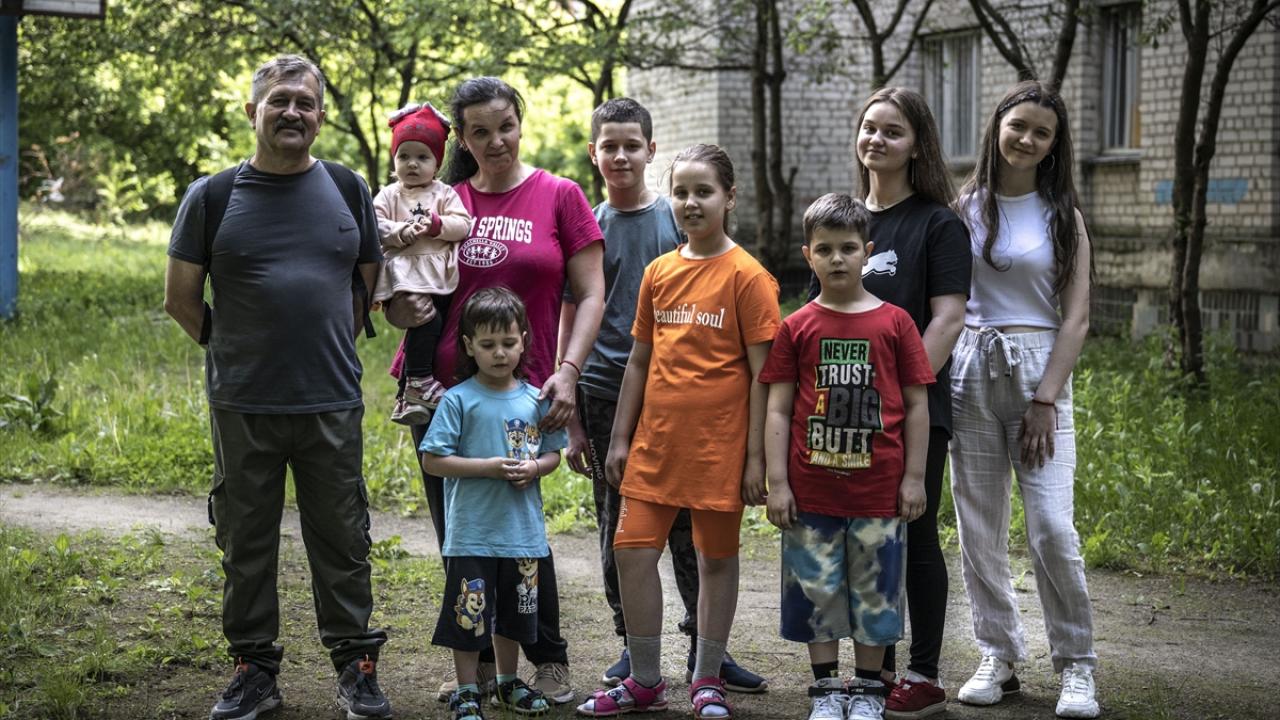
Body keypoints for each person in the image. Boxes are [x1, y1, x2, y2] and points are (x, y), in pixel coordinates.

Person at [164, 55, 391, 720]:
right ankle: (254, 671)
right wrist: (238, 349)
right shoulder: (212, 196)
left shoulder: (348, 188)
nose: (293, 112)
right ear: (252, 111)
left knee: (344, 539)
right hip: (244, 405)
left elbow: (365, 283)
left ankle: (356, 667)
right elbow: (181, 299)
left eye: (305, 102)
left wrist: (320, 345)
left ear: (320, 116)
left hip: (331, 400)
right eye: (279, 100)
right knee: (245, 542)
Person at [386, 76, 605, 705]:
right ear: (462, 139)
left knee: (522, 532)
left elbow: (591, 292)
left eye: (505, 126)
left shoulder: (559, 195)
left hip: (521, 394)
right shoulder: (440, 198)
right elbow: (401, 276)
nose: (496, 141)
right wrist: (396, 308)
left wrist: (568, 370)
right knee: (461, 535)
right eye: (479, 132)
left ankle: (549, 657)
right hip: (440, 393)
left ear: (520, 124)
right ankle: (479, 665)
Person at [560, 98, 767, 694]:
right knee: (622, 534)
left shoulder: (711, 247)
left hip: (701, 420)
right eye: (609, 145)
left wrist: (757, 456)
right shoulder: (596, 229)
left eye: (633, 144)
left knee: (698, 543)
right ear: (594, 153)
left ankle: (708, 654)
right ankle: (636, 653)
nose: (621, 155)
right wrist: (582, 409)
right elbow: (581, 313)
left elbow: (757, 365)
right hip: (616, 402)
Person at [808, 86, 971, 718]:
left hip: (914, 410)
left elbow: (948, 318)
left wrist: (901, 394)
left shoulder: (938, 223)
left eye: (892, 131)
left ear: (917, 145)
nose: (876, 139)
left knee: (914, 533)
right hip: (841, 415)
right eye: (869, 127)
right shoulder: (844, 220)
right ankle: (876, 675)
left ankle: (923, 674)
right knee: (858, 541)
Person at [949, 80, 1099, 719]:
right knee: (978, 527)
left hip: (1040, 372)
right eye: (1019, 126)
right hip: (971, 368)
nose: (1028, 139)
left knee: (1052, 529)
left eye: (1042, 132)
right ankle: (999, 653)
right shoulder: (963, 209)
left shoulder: (1063, 216)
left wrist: (1046, 399)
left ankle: (1077, 665)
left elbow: (1077, 318)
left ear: (1054, 145)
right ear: (998, 128)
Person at [764, 193, 934, 720]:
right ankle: (826, 691)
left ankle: (866, 692)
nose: (837, 259)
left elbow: (917, 405)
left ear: (868, 252)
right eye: (825, 249)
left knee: (874, 595)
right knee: (816, 592)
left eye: (848, 248)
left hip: (878, 494)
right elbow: (777, 409)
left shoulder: (897, 323)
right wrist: (778, 483)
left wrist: (914, 478)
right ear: (808, 255)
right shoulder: (796, 326)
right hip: (811, 493)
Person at [420, 287, 569, 720]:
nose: (499, 353)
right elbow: (433, 460)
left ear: (523, 340)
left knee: (513, 616)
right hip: (472, 534)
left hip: (521, 535)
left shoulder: (536, 399)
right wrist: (486, 467)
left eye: (507, 342)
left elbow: (553, 454)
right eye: (487, 345)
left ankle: (507, 683)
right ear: (469, 346)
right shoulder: (457, 399)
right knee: (469, 617)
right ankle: (468, 689)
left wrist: (536, 468)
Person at [371, 102, 472, 426]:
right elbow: (374, 225)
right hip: (405, 271)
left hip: (436, 271)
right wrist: (400, 231)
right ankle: (417, 380)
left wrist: (437, 224)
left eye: (422, 157)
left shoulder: (444, 194)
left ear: (437, 163)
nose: (412, 164)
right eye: (404, 156)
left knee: (434, 324)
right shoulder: (389, 195)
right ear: (394, 159)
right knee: (425, 320)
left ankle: (407, 395)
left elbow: (463, 224)